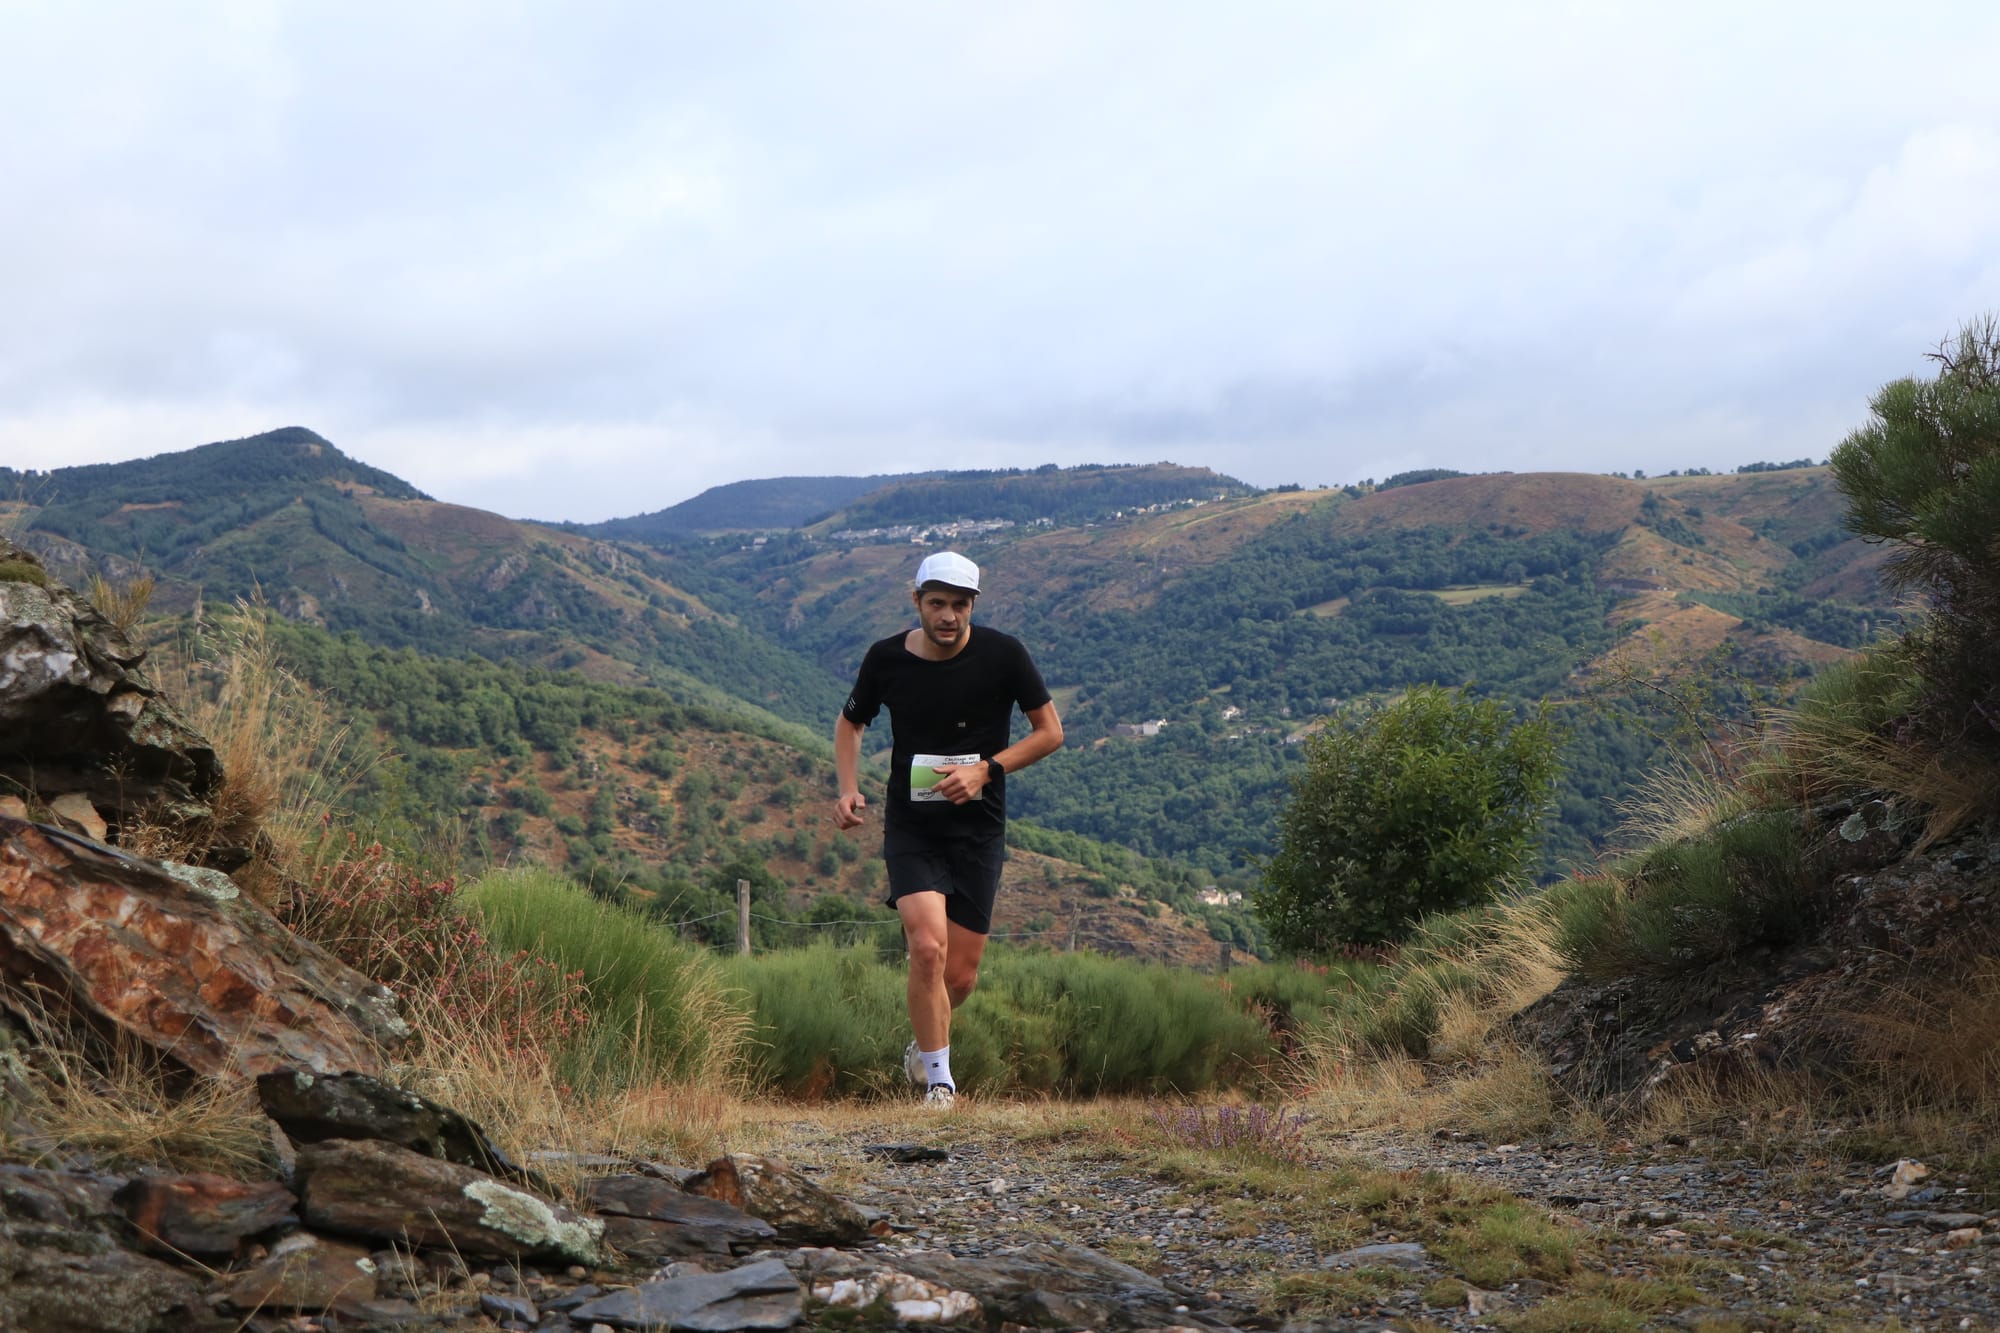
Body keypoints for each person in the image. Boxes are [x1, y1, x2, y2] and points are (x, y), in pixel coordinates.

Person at [832, 551, 1063, 1109]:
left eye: (960, 605)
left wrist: (987, 769)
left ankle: (924, 1043)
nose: (948, 616)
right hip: (912, 827)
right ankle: (941, 1084)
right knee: (926, 946)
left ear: (973, 606)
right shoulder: (886, 658)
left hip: (978, 830)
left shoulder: (1004, 655)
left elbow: (1050, 732)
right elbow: (851, 723)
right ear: (916, 601)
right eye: (937, 603)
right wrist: (847, 787)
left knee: (958, 978)